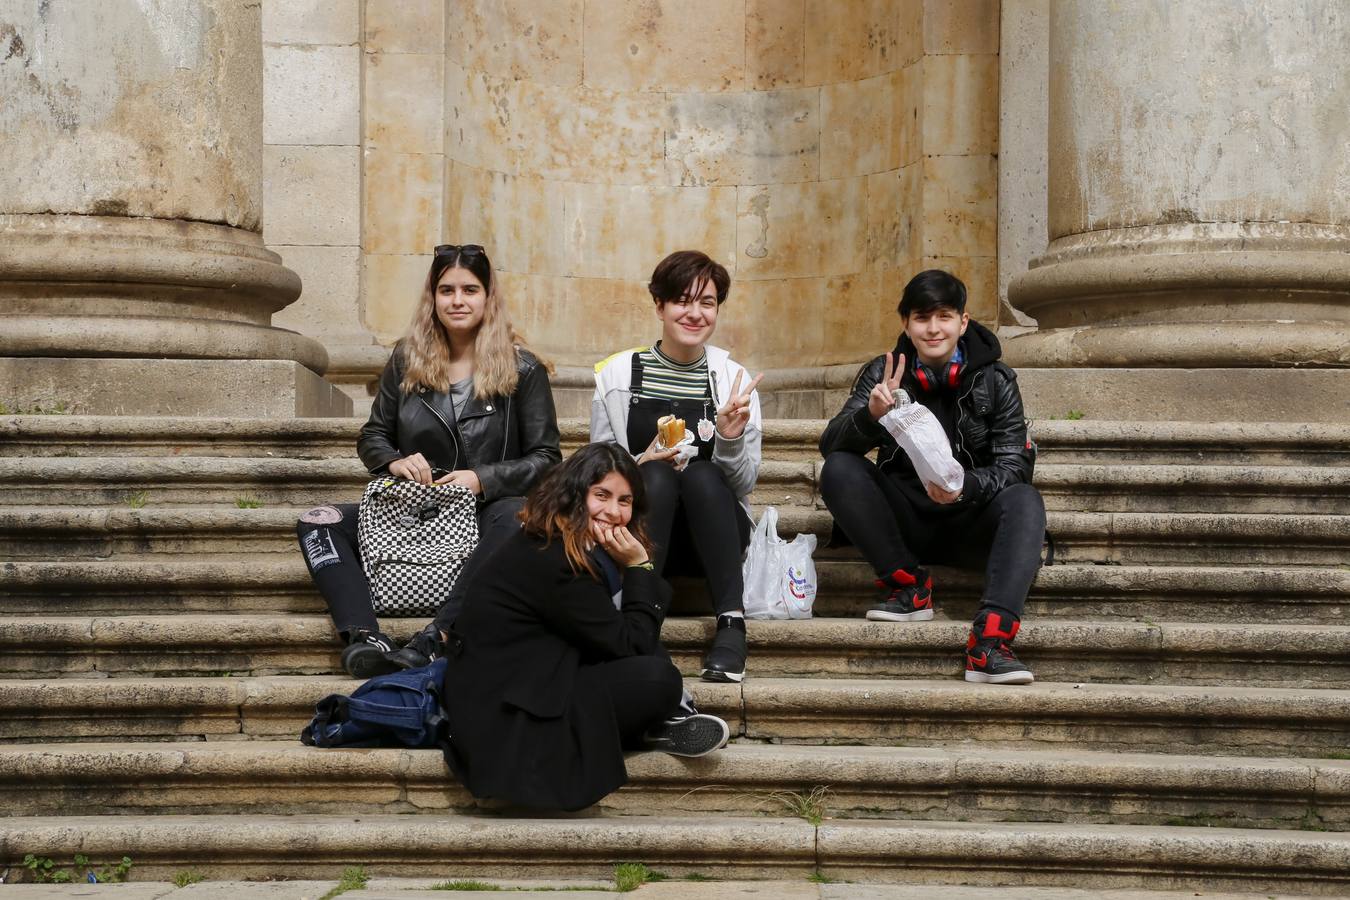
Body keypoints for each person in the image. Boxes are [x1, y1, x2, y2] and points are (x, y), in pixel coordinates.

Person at [296, 244, 561, 678]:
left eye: (470, 290)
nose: (457, 300)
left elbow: (548, 459)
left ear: (488, 296)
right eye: (446, 290)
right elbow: (373, 435)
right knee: (317, 520)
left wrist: (481, 479)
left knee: (519, 519)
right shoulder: (405, 359)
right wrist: (394, 462)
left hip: (488, 509)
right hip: (417, 506)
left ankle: (436, 636)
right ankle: (365, 636)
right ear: (432, 297)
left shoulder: (523, 369)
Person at [442, 442, 731, 811]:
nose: (613, 511)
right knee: (657, 680)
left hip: (528, 682)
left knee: (649, 658)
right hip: (506, 724)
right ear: (574, 495)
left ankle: (661, 721)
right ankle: (657, 723)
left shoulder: (559, 541)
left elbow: (612, 634)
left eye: (624, 501)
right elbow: (631, 644)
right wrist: (640, 567)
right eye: (602, 495)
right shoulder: (556, 557)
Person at [818, 269, 1045, 685]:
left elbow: (1015, 466)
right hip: (906, 521)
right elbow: (830, 444)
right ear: (906, 323)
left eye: (944, 316)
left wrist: (966, 487)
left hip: (971, 516)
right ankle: (908, 586)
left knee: (1026, 500)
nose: (933, 328)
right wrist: (870, 417)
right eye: (922, 318)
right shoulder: (882, 373)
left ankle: (991, 643)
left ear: (963, 321)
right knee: (839, 467)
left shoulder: (997, 380)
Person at [591, 250, 763, 684]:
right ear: (660, 306)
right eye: (682, 300)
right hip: (642, 531)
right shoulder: (617, 375)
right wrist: (640, 463)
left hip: (716, 533)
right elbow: (595, 476)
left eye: (707, 302)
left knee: (704, 475)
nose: (695, 313)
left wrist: (727, 436)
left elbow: (744, 484)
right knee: (657, 476)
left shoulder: (735, 382)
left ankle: (731, 623)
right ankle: (640, 619)